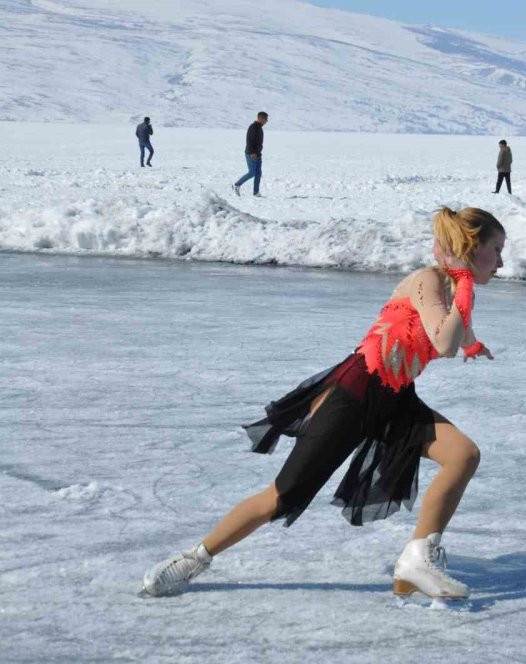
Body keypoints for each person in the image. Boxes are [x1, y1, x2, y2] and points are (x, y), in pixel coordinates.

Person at [141, 207, 506, 603]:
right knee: (281, 498)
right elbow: (442, 341)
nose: (502, 261)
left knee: (464, 455)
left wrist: (472, 340)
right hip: (355, 394)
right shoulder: (427, 281)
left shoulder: (452, 290)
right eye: (497, 249)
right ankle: (195, 558)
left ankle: (417, 560)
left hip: (396, 398)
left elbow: (456, 334)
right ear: (473, 247)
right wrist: (465, 289)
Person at [234, 112, 268, 197]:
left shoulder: (259, 128)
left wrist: (258, 152)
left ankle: (256, 192)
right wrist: (253, 153)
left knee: (258, 174)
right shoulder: (253, 127)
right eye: (265, 119)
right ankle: (236, 185)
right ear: (260, 118)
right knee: (252, 172)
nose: (266, 121)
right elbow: (249, 141)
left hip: (258, 154)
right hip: (251, 154)